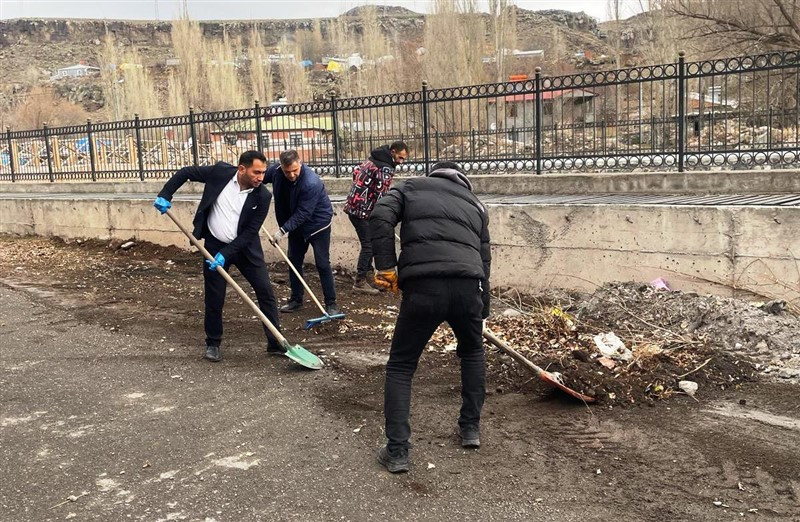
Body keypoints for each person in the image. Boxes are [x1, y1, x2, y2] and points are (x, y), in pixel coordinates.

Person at [369, 161, 491, 473]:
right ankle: (470, 429)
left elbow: (381, 214)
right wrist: (482, 308)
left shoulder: (411, 186)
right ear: (462, 181)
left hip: (424, 287)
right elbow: (484, 259)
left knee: (401, 365)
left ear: (434, 174)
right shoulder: (475, 205)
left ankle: (397, 450)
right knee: (473, 352)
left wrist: (385, 265)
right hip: (468, 288)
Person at [152, 150, 283, 363]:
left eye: (263, 172)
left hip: (245, 249)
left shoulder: (263, 196)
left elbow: (250, 233)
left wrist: (226, 253)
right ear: (242, 169)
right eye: (256, 172)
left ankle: (275, 342)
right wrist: (166, 194)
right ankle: (213, 343)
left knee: (265, 292)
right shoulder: (220, 173)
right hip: (213, 245)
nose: (261, 177)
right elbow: (186, 172)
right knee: (214, 297)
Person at [265, 150, 339, 316]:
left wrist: (282, 231)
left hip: (318, 225)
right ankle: (296, 299)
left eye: (295, 171)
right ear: (281, 167)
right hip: (296, 226)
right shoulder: (277, 172)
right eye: (287, 171)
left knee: (322, 263)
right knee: (294, 262)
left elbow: (304, 213)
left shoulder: (310, 182)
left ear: (301, 163)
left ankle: (331, 304)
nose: (291, 175)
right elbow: (260, 177)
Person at [343, 141, 408, 294]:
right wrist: (387, 216)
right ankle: (359, 282)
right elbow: (382, 196)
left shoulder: (373, 159)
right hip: (363, 212)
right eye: (400, 157)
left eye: (403, 159)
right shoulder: (385, 167)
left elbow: (355, 172)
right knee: (369, 245)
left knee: (369, 243)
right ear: (392, 152)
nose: (401, 161)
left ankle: (369, 277)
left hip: (353, 207)